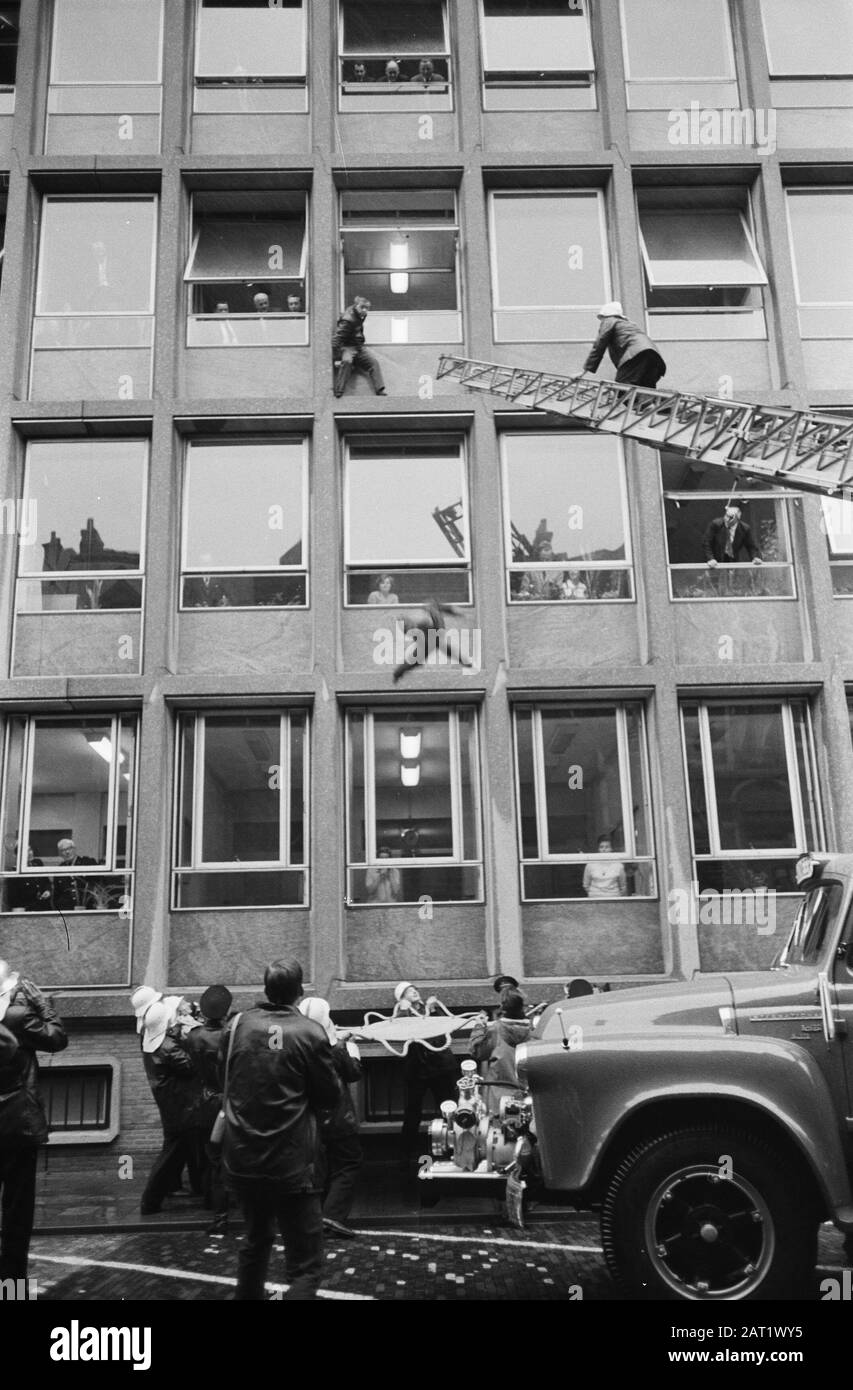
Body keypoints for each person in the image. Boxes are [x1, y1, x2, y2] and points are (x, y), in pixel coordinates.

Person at [218, 958, 341, 1300]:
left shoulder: (237, 1024)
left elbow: (222, 1079)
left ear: (265, 988)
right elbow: (330, 1095)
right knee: (306, 1263)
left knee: (255, 1243)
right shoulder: (310, 1032)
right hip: (293, 1161)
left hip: (243, 1155)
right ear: (299, 992)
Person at [0, 960, 68, 1280]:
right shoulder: (17, 1017)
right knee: (17, 1209)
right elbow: (57, 1038)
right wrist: (42, 1004)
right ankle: (11, 1287)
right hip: (16, 1123)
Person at [298, 997, 363, 1240]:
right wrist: (352, 1050)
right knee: (348, 1163)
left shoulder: (299, 1042)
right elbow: (353, 1073)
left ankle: (317, 1216)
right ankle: (333, 1216)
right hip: (338, 1115)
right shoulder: (334, 1047)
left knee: (320, 1167)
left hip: (309, 1118)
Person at [139, 997, 206, 1214]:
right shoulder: (168, 1047)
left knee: (184, 1152)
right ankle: (150, 1201)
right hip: (181, 1109)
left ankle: (203, 1191)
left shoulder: (153, 1044)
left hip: (172, 1107)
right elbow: (189, 1065)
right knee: (169, 1158)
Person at [392, 982, 458, 1167]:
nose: (414, 991)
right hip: (417, 1070)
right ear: (401, 998)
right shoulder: (400, 1013)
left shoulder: (429, 1010)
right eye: (408, 991)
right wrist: (404, 1012)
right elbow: (400, 1031)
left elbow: (447, 1026)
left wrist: (435, 1010)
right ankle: (405, 1155)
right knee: (412, 1113)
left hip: (440, 1068)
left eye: (414, 989)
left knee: (449, 1109)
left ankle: (455, 1148)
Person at [185, 984, 233, 1232]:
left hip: (203, 1102)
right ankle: (223, 1213)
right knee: (227, 1158)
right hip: (227, 1103)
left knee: (210, 1156)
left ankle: (212, 1205)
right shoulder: (230, 1036)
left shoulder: (193, 1036)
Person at [468, 988, 531, 1115]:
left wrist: (479, 1027)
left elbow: (477, 1051)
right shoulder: (534, 1031)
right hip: (528, 1095)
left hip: (499, 1097)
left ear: (503, 1007)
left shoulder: (495, 1030)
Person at [582, 301, 666, 389]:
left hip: (637, 355)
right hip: (654, 357)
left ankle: (661, 401)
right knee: (644, 392)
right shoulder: (628, 324)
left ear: (605, 315)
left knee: (622, 388)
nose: (601, 321)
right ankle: (665, 401)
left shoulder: (610, 321)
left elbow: (599, 345)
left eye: (602, 318)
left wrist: (584, 372)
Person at [391, 598, 473, 682]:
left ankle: (398, 673)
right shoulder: (424, 625)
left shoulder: (427, 616)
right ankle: (398, 673)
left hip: (431, 630)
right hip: (428, 634)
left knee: (424, 653)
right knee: (425, 652)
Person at [333, 296, 386, 398]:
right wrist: (337, 356)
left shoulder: (359, 316)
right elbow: (337, 339)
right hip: (348, 347)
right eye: (362, 307)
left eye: (366, 308)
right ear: (356, 306)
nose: (365, 310)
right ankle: (339, 391)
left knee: (373, 363)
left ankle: (379, 389)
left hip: (358, 346)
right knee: (347, 362)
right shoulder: (348, 319)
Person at [702, 504, 763, 568]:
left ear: (737, 518)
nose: (726, 519)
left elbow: (751, 546)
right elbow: (706, 543)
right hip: (715, 559)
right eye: (726, 515)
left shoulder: (745, 528)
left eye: (730, 517)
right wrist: (710, 558)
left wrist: (755, 557)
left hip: (733, 560)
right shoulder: (715, 524)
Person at [54, 838, 98, 910]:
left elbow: (98, 882)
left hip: (88, 907)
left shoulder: (87, 862)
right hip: (67, 909)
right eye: (63, 850)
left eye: (69, 848)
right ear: (60, 853)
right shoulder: (60, 868)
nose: (67, 852)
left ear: (74, 849)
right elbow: (57, 893)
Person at [6, 845, 51, 912]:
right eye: (26, 852)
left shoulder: (38, 863)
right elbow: (13, 899)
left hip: (45, 907)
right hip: (29, 910)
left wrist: (47, 891)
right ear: (19, 856)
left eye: (30, 850)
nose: (30, 853)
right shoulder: (14, 873)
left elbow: (46, 882)